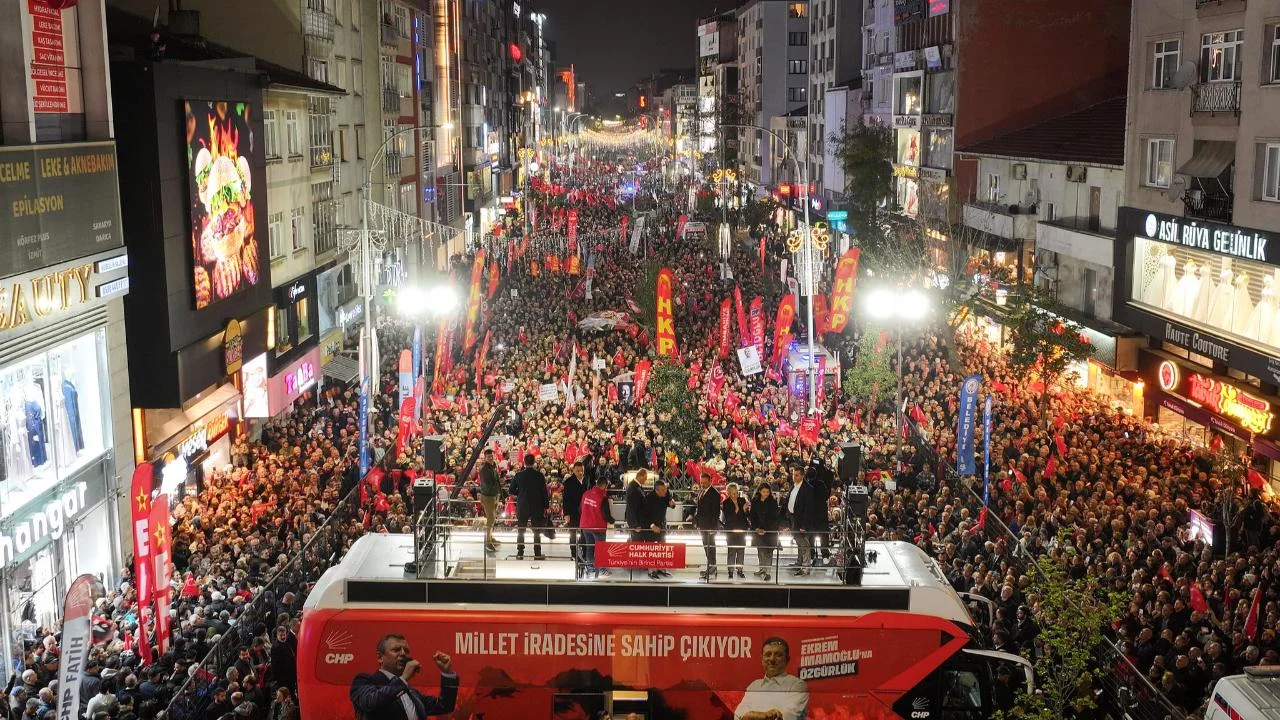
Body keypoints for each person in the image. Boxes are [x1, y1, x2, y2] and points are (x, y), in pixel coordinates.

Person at [348, 634, 458, 720]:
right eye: (396, 650)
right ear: (380, 657)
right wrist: (403, 678)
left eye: (406, 651)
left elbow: (445, 705)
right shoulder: (365, 681)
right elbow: (370, 702)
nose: (403, 654)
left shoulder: (412, 693)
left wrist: (447, 672)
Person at [733, 637, 808, 720]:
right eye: (768, 654)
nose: (772, 659)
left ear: (787, 660)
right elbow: (738, 716)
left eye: (778, 655)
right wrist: (760, 715)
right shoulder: (754, 686)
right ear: (762, 659)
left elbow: (787, 717)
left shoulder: (797, 685)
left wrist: (756, 716)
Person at [510, 454, 554, 560]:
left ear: (524, 462)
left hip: (523, 505)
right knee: (537, 530)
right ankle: (537, 553)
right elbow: (544, 492)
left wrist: (520, 493)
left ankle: (520, 552)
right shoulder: (539, 475)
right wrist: (546, 506)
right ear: (534, 462)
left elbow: (511, 490)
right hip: (537, 506)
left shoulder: (519, 475)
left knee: (521, 530)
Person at [578, 476, 614, 577]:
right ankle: (602, 569)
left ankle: (590, 568)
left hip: (585, 526)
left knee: (590, 547)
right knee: (601, 548)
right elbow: (606, 515)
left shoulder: (586, 494)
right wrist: (612, 521)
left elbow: (580, 509)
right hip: (598, 527)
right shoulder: (603, 498)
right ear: (604, 485)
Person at [642, 480, 674, 580]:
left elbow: (671, 504)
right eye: (663, 490)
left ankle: (662, 568)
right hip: (650, 528)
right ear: (657, 490)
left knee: (662, 548)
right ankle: (652, 571)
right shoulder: (648, 498)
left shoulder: (665, 495)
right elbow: (644, 516)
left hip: (662, 526)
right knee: (651, 549)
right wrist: (652, 526)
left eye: (665, 489)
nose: (665, 491)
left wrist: (671, 502)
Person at [694, 471, 722, 580]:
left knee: (711, 547)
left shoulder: (715, 494)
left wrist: (713, 527)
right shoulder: (701, 491)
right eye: (701, 483)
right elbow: (699, 509)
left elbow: (716, 512)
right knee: (706, 547)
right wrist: (697, 523)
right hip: (702, 525)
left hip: (710, 526)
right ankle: (710, 567)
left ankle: (712, 568)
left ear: (710, 481)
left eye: (705, 483)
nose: (703, 484)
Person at [749, 483, 780, 581]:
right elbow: (752, 516)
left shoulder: (773, 502)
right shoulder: (755, 501)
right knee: (760, 551)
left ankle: (768, 572)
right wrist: (756, 528)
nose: (766, 494)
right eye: (764, 492)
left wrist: (766, 529)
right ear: (759, 491)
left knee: (768, 552)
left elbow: (775, 518)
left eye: (767, 492)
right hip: (758, 530)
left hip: (770, 531)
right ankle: (762, 569)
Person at [722, 482, 750, 580]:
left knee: (741, 550)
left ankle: (740, 570)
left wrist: (745, 510)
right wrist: (737, 509)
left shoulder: (742, 500)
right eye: (733, 493)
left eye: (737, 493)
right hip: (731, 530)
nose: (736, 495)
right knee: (732, 551)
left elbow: (746, 516)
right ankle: (730, 571)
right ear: (728, 493)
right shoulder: (726, 503)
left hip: (742, 529)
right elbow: (729, 518)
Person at [477, 448, 502, 553]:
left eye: (491, 456)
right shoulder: (484, 469)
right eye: (488, 457)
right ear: (485, 457)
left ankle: (490, 537)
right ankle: (487, 541)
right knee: (490, 519)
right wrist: (498, 484)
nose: (490, 458)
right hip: (488, 496)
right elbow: (488, 483)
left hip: (494, 495)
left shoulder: (493, 466)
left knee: (492, 518)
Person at [563, 460, 588, 563]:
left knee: (585, 533)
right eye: (578, 471)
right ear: (573, 470)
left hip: (585, 512)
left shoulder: (587, 480)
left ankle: (585, 553)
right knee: (573, 534)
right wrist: (566, 514)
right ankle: (574, 553)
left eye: (582, 470)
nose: (580, 473)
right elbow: (566, 500)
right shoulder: (568, 482)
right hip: (573, 512)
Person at [624, 469, 648, 541]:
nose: (646, 479)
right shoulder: (633, 488)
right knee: (637, 543)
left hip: (639, 522)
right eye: (645, 477)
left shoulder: (636, 486)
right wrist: (635, 525)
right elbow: (631, 507)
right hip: (636, 525)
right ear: (640, 476)